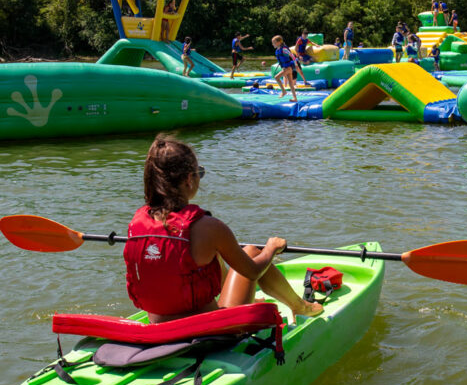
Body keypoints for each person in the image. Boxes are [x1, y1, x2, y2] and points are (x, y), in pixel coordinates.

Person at [124, 135, 323, 324]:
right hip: (209, 331)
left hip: (158, 326)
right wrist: (272, 248)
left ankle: (282, 303)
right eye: (199, 173)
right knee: (256, 254)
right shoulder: (208, 227)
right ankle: (300, 307)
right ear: (188, 179)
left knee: (243, 253)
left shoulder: (137, 224)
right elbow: (252, 272)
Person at [271, 35, 300, 101]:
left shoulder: (284, 49)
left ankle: (284, 91)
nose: (273, 44)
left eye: (274, 42)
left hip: (288, 68)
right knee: (290, 84)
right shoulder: (278, 50)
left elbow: (292, 55)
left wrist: (296, 64)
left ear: (279, 42)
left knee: (276, 77)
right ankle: (295, 98)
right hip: (286, 68)